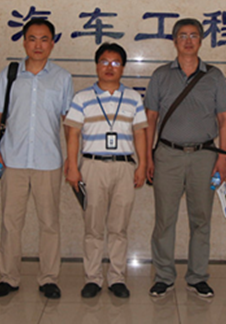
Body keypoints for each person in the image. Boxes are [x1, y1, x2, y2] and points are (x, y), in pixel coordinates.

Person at [0, 18, 74, 299]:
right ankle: (8, 277)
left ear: (52, 43)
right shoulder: (10, 74)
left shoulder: (62, 78)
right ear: (24, 42)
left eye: (44, 39)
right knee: (11, 222)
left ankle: (48, 278)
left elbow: (69, 122)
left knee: (49, 223)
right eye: (32, 38)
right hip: (13, 160)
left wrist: (72, 158)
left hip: (48, 161)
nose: (38, 45)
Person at [145, 18, 226, 298]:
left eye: (194, 35)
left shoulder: (214, 76)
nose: (188, 41)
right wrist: (148, 157)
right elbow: (150, 118)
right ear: (174, 41)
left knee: (201, 219)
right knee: (164, 220)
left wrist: (223, 157)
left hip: (205, 157)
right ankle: (164, 277)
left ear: (201, 40)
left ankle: (197, 277)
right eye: (182, 35)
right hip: (167, 156)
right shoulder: (160, 75)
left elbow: (225, 119)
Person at [64, 42, 147, 299]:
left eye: (115, 63)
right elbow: (73, 134)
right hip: (92, 166)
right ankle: (92, 278)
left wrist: (142, 164)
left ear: (123, 67)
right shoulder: (82, 98)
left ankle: (117, 278)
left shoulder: (133, 98)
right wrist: (72, 166)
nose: (109, 67)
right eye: (104, 62)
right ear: (96, 65)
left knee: (119, 228)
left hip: (124, 167)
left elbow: (140, 133)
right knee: (93, 227)